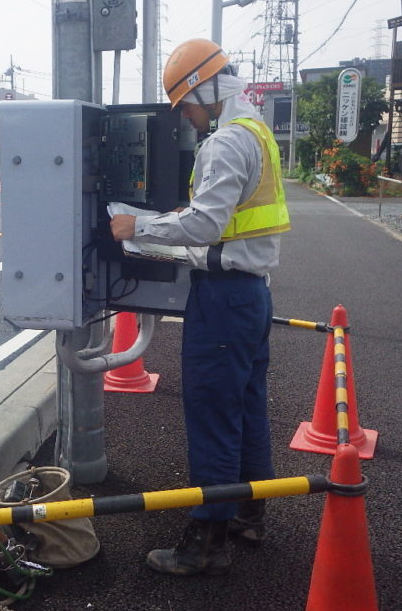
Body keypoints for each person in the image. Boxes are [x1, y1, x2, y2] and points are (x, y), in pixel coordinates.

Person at [110, 38, 290, 576]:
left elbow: (205, 225)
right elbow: (221, 217)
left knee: (212, 413)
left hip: (224, 297)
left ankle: (205, 543)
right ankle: (247, 513)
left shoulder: (225, 143)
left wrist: (137, 225)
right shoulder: (255, 129)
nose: (185, 117)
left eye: (185, 104)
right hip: (252, 293)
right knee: (246, 406)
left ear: (207, 89)